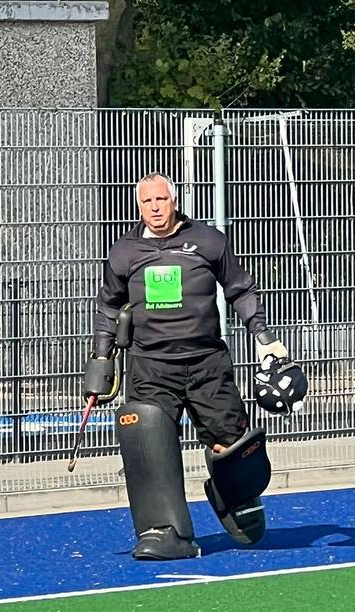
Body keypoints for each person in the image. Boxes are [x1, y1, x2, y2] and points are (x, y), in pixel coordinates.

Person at [82, 173, 293, 560]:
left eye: (162, 199)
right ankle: (165, 532)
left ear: (174, 200)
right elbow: (109, 306)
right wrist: (101, 357)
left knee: (232, 441)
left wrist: (263, 337)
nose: (156, 208)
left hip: (206, 362)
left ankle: (236, 498)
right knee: (149, 442)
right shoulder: (124, 252)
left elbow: (240, 290)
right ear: (139, 206)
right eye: (148, 202)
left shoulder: (208, 240)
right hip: (150, 365)